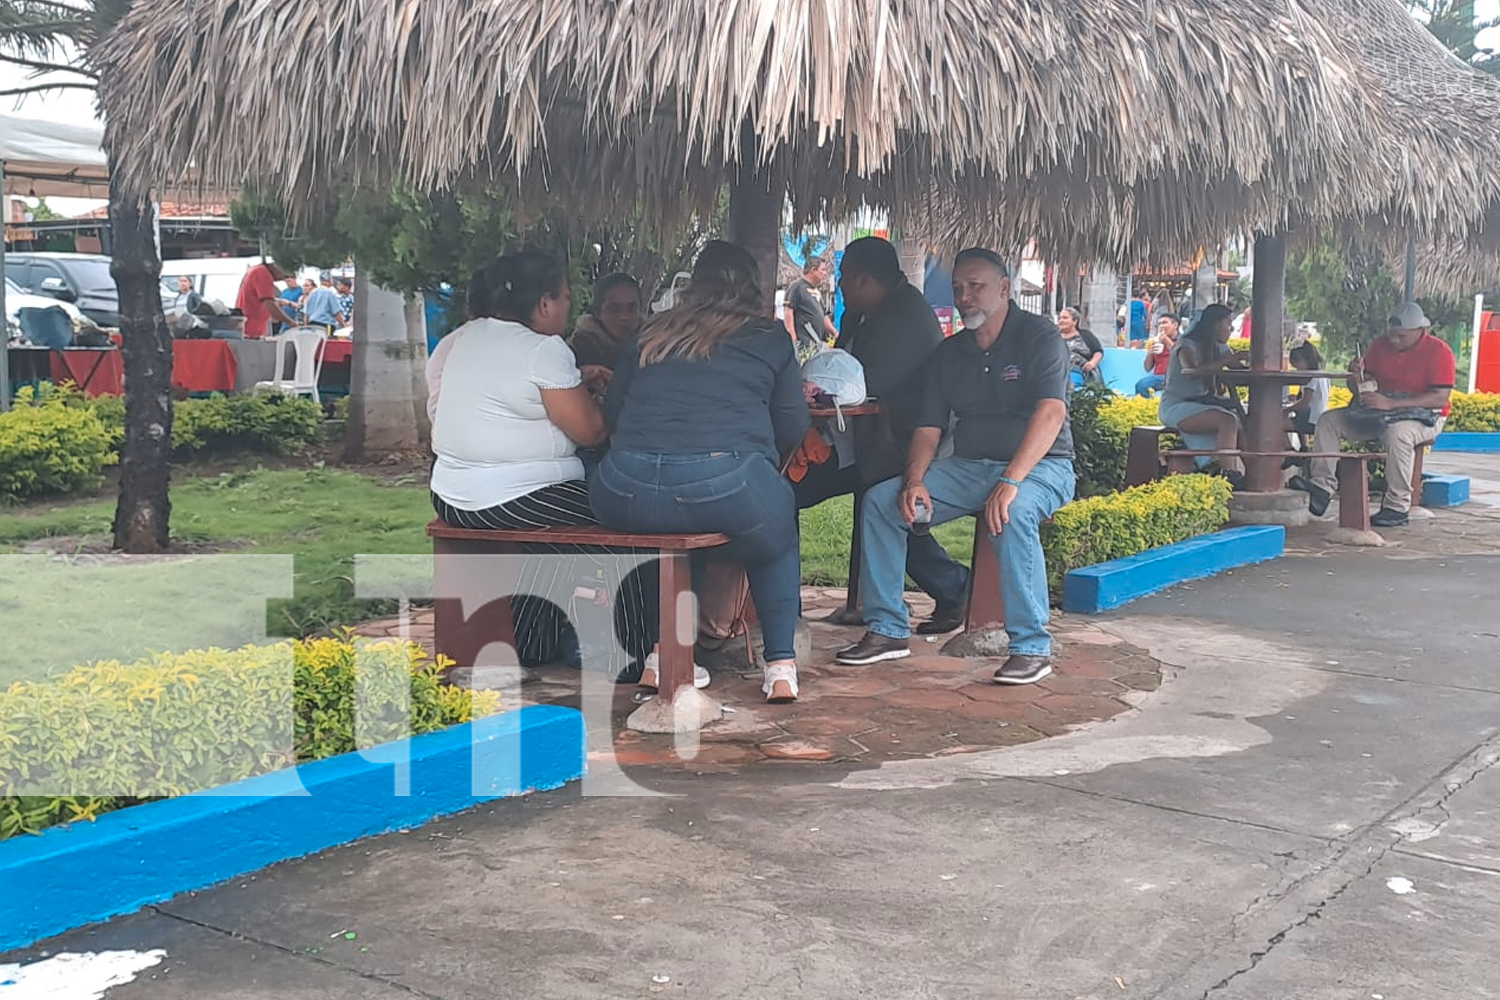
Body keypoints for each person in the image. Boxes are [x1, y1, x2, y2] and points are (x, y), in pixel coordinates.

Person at [835, 247, 1075, 685]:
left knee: (1013, 512)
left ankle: (1031, 646)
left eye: (976, 287)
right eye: (959, 288)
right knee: (882, 503)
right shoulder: (951, 353)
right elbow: (928, 428)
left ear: (1004, 289)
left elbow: (1051, 414)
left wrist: (1010, 479)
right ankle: (888, 629)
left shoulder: (1038, 336)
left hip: (1042, 467)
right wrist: (914, 481)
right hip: (968, 467)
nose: (965, 297)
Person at [592, 241, 811, 703]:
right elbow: (793, 422)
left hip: (622, 489)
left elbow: (613, 413)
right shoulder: (769, 338)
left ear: (693, 285)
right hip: (725, 484)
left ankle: (663, 656)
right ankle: (780, 667)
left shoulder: (650, 334)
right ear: (752, 286)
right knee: (776, 535)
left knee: (674, 526)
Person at [427, 251, 655, 681]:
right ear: (546, 304)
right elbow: (591, 432)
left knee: (551, 537)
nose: (570, 306)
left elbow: (514, 399)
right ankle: (630, 655)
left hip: (450, 494)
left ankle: (533, 642)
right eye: (567, 297)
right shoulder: (544, 349)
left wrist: (575, 381)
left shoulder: (470, 336)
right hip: (508, 497)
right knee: (629, 519)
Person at [794, 236, 971, 635]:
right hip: (860, 439)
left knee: (797, 491)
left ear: (866, 280)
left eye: (844, 278)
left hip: (897, 445)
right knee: (798, 487)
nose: (838, 285)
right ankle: (950, 588)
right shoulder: (861, 314)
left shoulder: (906, 316)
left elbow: (866, 385)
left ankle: (956, 587)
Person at [1291, 303, 1454, 528]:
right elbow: (1360, 386)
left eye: (1401, 336)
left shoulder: (1439, 351)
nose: (1395, 340)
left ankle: (1397, 506)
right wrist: (1355, 376)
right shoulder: (1380, 346)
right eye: (1392, 335)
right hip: (1379, 413)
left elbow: (1439, 398)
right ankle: (1322, 486)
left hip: (1425, 417)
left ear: (1419, 330)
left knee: (1399, 433)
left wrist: (1391, 403)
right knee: (1329, 421)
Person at [1158, 303, 1246, 486]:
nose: (1232, 328)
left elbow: (1239, 370)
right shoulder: (1186, 345)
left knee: (1246, 417)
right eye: (1228, 323)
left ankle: (1253, 469)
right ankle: (1229, 473)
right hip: (1177, 407)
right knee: (1227, 420)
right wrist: (1228, 360)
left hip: (1204, 404)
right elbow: (1192, 369)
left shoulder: (1219, 348)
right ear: (1215, 325)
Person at [569, 272, 643, 395]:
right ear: (598, 312)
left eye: (631, 308)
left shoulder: (651, 348)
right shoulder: (579, 350)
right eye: (614, 309)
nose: (624, 317)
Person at [784, 257, 838, 350]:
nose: (825, 273)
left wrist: (835, 333)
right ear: (813, 270)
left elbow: (824, 315)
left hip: (817, 343)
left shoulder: (816, 291)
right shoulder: (797, 287)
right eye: (823, 270)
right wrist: (793, 339)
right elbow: (788, 312)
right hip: (804, 344)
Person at [1282, 342, 1329, 451]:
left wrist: (1287, 410)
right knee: (1299, 416)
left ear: (1305, 362)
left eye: (1297, 366)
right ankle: (1304, 447)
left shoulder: (1311, 378)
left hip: (1312, 420)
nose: (1297, 370)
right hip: (1320, 417)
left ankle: (1290, 451)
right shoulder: (1322, 375)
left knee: (1278, 423)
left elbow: (1304, 403)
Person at [235, 260, 298, 339]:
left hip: (251, 328)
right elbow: (269, 304)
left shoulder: (255, 270)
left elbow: (258, 298)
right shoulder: (262, 273)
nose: (281, 279)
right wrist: (291, 323)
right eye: (284, 276)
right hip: (252, 330)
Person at [1057, 306, 1104, 388]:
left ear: (1075, 321)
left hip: (1082, 370)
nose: (1061, 321)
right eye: (1060, 318)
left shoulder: (1085, 335)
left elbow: (1098, 352)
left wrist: (1092, 363)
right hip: (1059, 370)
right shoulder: (1054, 337)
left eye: (1065, 318)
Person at [1136, 312, 1181, 398]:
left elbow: (1180, 355)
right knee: (1141, 385)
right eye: (1159, 324)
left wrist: (1166, 340)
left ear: (1175, 325)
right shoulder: (1156, 341)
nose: (1161, 326)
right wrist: (1150, 352)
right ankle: (1151, 406)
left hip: (1175, 377)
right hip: (1159, 378)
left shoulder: (1182, 340)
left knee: (1143, 385)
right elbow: (1147, 368)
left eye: (1164, 323)